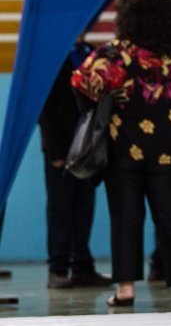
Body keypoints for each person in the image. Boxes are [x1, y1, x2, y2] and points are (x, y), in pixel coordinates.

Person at [70, 0, 171, 306]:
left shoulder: (116, 53)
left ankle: (125, 290)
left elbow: (80, 82)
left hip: (124, 148)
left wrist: (103, 106)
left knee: (126, 215)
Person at [39, 39, 112, 289]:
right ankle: (57, 268)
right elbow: (44, 106)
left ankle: (83, 266)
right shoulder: (53, 56)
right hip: (61, 147)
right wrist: (53, 150)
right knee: (60, 208)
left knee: (84, 207)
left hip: (88, 146)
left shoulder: (91, 53)